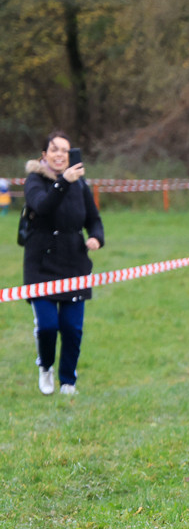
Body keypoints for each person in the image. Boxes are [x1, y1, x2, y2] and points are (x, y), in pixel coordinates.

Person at [22, 130, 104, 396]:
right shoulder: (34, 180)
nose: (60, 155)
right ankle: (45, 366)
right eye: (54, 149)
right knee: (47, 325)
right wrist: (63, 182)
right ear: (44, 155)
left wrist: (95, 237)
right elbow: (43, 206)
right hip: (41, 265)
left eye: (65, 151)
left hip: (74, 262)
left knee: (72, 328)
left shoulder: (80, 184)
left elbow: (93, 218)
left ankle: (68, 380)